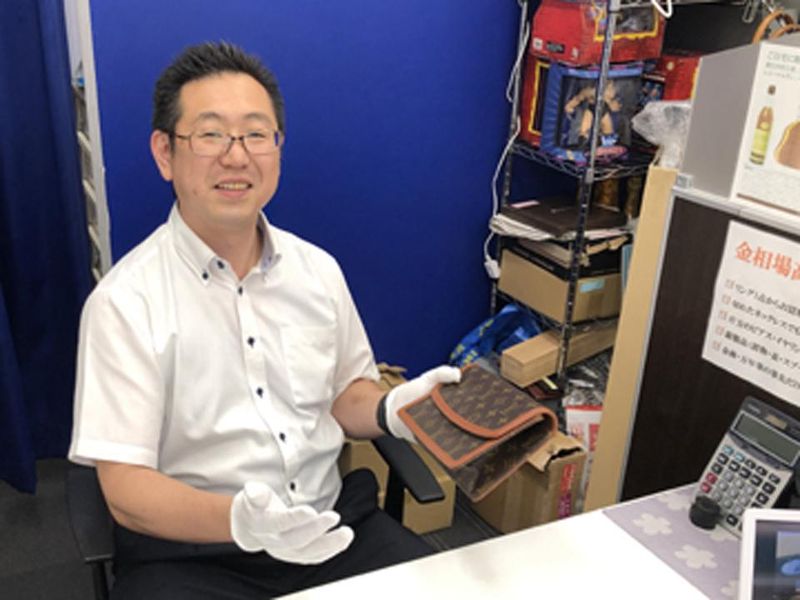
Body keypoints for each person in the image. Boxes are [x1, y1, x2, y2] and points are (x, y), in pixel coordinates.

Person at [68, 41, 460, 599]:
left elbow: (344, 396)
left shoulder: (318, 271)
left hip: (331, 530)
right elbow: (126, 490)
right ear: (165, 153)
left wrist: (393, 407)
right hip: (195, 555)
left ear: (277, 149)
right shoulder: (124, 302)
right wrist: (240, 521)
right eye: (210, 134)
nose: (237, 157)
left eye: (256, 134)